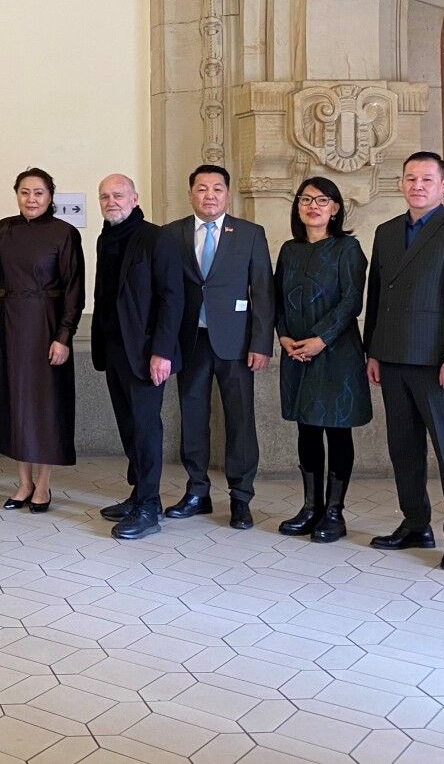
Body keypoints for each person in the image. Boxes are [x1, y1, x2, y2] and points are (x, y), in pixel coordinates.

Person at [364, 152, 444, 571]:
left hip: (438, 364)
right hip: (393, 358)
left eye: (427, 179)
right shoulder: (385, 232)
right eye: (410, 178)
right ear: (400, 184)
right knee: (404, 449)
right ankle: (416, 523)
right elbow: (376, 298)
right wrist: (373, 351)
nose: (417, 185)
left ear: (443, 186)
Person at [163, 164, 274, 530]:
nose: (209, 195)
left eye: (216, 189)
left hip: (237, 344)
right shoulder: (172, 234)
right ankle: (197, 491)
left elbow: (263, 292)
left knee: (240, 420)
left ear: (228, 194)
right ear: (190, 193)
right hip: (191, 341)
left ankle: (241, 498)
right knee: (192, 418)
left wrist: (261, 343)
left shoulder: (249, 234)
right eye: (201, 188)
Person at [0, 167, 85, 512]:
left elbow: (74, 290)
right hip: (8, 325)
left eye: (38, 192)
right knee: (16, 404)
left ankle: (44, 485)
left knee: (44, 405)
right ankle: (23, 483)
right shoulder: (4, 229)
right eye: (25, 192)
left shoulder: (64, 233)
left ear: (50, 196)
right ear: (16, 194)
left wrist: (64, 336)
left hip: (46, 327)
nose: (31, 199)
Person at [273, 176, 370, 543]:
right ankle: (310, 507)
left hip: (336, 353)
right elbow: (277, 297)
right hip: (295, 351)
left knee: (336, 428)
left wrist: (320, 339)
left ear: (336, 208)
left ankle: (334, 512)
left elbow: (351, 302)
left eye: (323, 200)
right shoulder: (289, 249)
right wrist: (283, 335)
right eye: (306, 199)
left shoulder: (348, 248)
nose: (313, 206)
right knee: (307, 427)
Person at [90, 174, 182, 541]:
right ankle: (138, 494)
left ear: (135, 197)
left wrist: (161, 352)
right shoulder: (104, 238)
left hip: (146, 353)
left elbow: (172, 298)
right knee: (129, 427)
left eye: (118, 195)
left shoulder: (155, 237)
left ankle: (148, 506)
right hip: (114, 351)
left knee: (146, 428)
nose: (111, 201)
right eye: (105, 196)